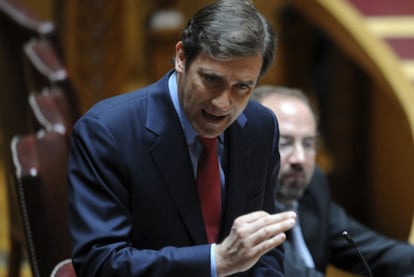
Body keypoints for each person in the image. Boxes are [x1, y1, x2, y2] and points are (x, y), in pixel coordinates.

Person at [67, 1, 297, 276]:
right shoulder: (108, 133)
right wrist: (216, 261)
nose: (223, 104)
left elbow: (266, 250)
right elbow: (100, 263)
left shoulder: (260, 127)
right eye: (212, 79)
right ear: (181, 57)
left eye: (243, 86)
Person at [254, 85, 414, 276]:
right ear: (250, 145)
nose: (300, 158)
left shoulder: (313, 186)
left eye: (308, 144)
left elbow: (381, 253)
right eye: (285, 143)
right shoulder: (241, 203)